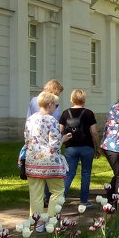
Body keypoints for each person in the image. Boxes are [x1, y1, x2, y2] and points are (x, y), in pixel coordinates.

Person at [24, 90, 72, 229]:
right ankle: (51, 220)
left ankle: (37, 222)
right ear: (50, 105)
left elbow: (27, 140)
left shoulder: (30, 119)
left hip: (32, 161)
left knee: (35, 194)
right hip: (50, 162)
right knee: (57, 191)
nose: (56, 108)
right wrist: (63, 139)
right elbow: (55, 145)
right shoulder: (52, 121)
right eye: (56, 105)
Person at [59, 89, 100, 207]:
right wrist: (97, 147)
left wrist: (61, 141)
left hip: (70, 147)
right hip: (87, 147)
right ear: (84, 99)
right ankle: (84, 200)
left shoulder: (65, 113)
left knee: (69, 173)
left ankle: (60, 199)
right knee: (86, 173)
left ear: (72, 99)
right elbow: (94, 132)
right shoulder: (89, 113)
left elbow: (60, 130)